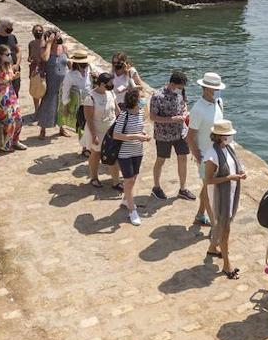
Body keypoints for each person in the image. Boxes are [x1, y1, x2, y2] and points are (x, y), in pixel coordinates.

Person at [202, 119, 245, 279]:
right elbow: (208, 180)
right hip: (219, 197)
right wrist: (229, 177)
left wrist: (240, 174)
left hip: (231, 193)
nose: (230, 137)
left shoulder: (229, 148)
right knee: (225, 229)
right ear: (220, 136)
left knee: (222, 224)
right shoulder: (212, 155)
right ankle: (227, 264)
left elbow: (235, 166)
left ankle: (213, 247)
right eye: (227, 135)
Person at [187, 72, 226, 227]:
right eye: (213, 88)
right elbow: (190, 136)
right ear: (205, 88)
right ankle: (214, 224)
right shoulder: (198, 109)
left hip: (218, 152)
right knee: (211, 189)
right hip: (206, 156)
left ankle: (200, 214)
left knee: (208, 186)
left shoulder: (219, 102)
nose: (216, 90)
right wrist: (198, 156)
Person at [150, 70, 194, 201]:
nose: (181, 90)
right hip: (163, 135)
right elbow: (152, 117)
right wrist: (173, 119)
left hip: (180, 133)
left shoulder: (180, 95)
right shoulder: (157, 96)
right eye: (180, 87)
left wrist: (185, 113)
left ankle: (183, 188)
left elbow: (184, 106)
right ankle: (156, 187)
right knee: (161, 160)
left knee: (183, 158)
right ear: (173, 84)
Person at [110, 88, 152, 225]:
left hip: (137, 151)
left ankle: (126, 199)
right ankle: (132, 210)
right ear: (134, 99)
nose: (143, 99)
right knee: (128, 180)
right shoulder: (124, 115)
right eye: (141, 97)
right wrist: (137, 136)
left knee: (133, 178)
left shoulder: (140, 113)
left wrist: (144, 135)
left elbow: (138, 129)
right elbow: (116, 135)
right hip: (125, 153)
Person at [83, 72, 119, 188]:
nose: (112, 85)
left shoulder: (111, 93)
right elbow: (88, 119)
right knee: (96, 153)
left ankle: (116, 181)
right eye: (110, 83)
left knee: (112, 154)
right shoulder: (90, 97)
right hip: (97, 130)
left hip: (111, 130)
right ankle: (94, 177)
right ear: (102, 84)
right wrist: (94, 135)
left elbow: (117, 111)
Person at [32, 29, 67, 139]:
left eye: (58, 36)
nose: (58, 39)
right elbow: (45, 58)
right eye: (56, 37)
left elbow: (68, 62)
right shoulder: (45, 48)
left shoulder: (64, 48)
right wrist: (49, 43)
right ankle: (43, 129)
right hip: (50, 81)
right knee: (48, 104)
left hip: (63, 81)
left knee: (62, 104)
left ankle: (62, 128)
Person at [58, 52, 91, 140]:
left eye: (86, 64)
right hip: (80, 104)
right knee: (81, 124)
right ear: (78, 64)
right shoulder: (70, 75)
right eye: (83, 64)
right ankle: (84, 147)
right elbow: (65, 91)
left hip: (91, 101)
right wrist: (65, 106)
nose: (85, 66)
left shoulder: (90, 69)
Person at [0, 19, 21, 96]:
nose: (10, 30)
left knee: (15, 91)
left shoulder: (12, 37)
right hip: (2, 72)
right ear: (3, 27)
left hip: (14, 69)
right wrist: (8, 69)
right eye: (9, 28)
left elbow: (18, 51)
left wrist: (17, 64)